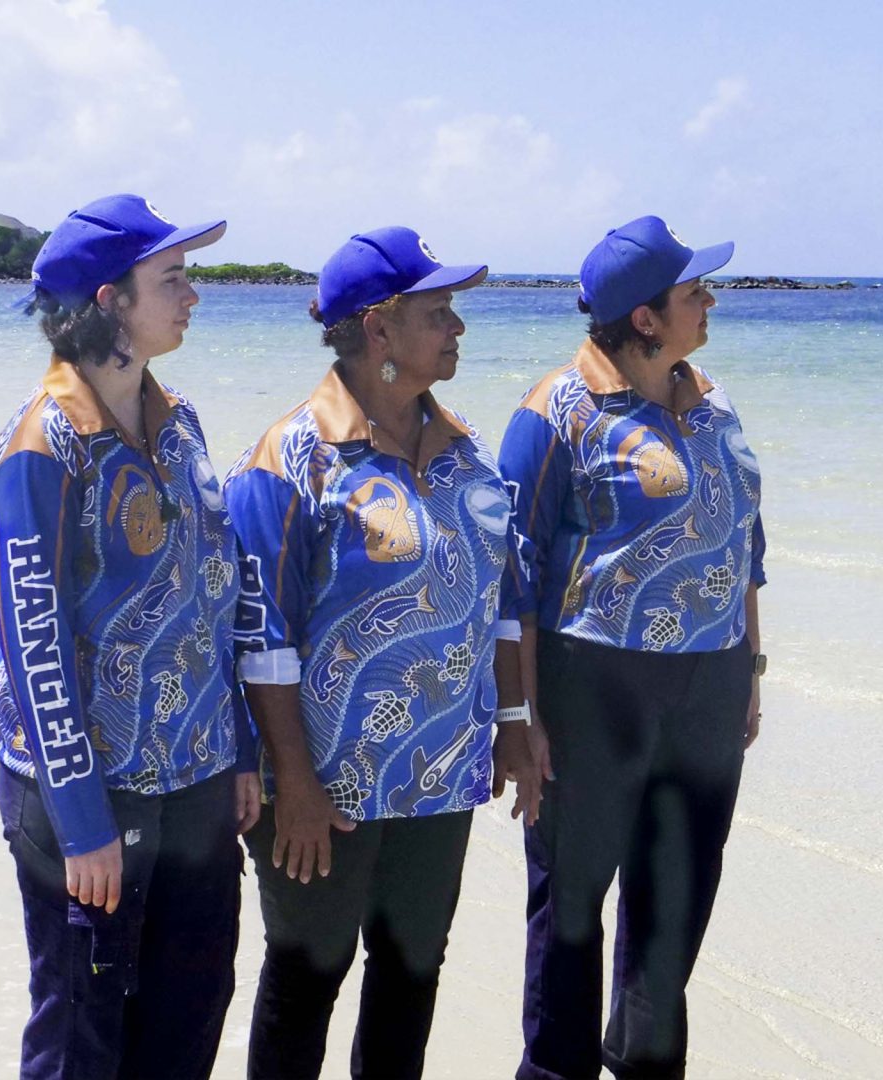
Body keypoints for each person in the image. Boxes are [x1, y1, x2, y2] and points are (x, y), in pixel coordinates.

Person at [226, 226, 541, 1079]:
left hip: (441, 776)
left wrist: (515, 721)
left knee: (412, 974)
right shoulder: (288, 461)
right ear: (378, 329)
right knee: (307, 977)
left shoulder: (469, 454)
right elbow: (260, 637)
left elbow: (503, 602)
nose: (458, 328)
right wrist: (294, 782)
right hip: (324, 786)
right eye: (438, 313)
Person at [0, 193, 260, 1079]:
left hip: (198, 779)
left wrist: (241, 748)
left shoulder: (180, 424)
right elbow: (35, 646)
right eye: (172, 278)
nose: (193, 295)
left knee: (188, 1022)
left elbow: (213, 593)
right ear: (109, 301)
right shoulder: (39, 448)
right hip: (93, 796)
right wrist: (82, 820)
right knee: (81, 1039)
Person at [501, 215, 767, 1079]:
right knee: (573, 903)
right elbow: (515, 576)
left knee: (677, 901)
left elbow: (746, 541)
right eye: (694, 292)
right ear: (644, 318)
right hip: (593, 685)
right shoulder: (556, 410)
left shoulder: (713, 399)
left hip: (710, 685)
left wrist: (750, 668)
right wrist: (522, 714)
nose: (710, 301)